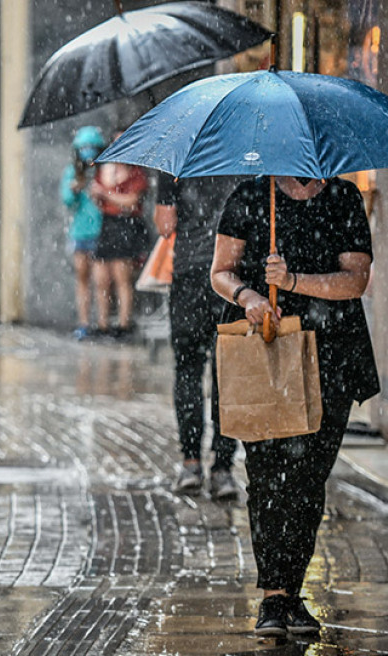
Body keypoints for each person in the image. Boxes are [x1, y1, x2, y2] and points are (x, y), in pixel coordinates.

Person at [210, 175, 378, 637]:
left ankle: (292, 589)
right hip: (266, 354)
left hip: (332, 359)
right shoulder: (249, 196)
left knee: (308, 479)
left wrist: (293, 281)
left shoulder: (344, 197)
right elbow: (221, 272)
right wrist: (249, 296)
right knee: (266, 476)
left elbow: (355, 280)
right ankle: (273, 597)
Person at [153, 172, 239, 499]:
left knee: (188, 369)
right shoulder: (245, 154)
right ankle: (223, 469)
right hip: (232, 279)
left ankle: (190, 463)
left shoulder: (177, 161)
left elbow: (164, 226)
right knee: (227, 374)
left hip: (189, 276)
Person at [89, 134, 149, 338]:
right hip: (108, 224)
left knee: (121, 276)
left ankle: (124, 323)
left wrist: (107, 194)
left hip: (126, 226)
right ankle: (102, 323)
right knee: (101, 277)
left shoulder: (135, 173)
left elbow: (131, 202)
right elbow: (101, 198)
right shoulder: (105, 170)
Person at [59, 126, 105, 340]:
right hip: (80, 232)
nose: (88, 151)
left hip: (100, 230)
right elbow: (67, 200)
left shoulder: (103, 171)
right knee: (82, 279)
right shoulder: (72, 171)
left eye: (92, 147)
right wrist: (74, 189)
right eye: (84, 147)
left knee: (100, 280)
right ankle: (84, 322)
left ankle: (102, 323)